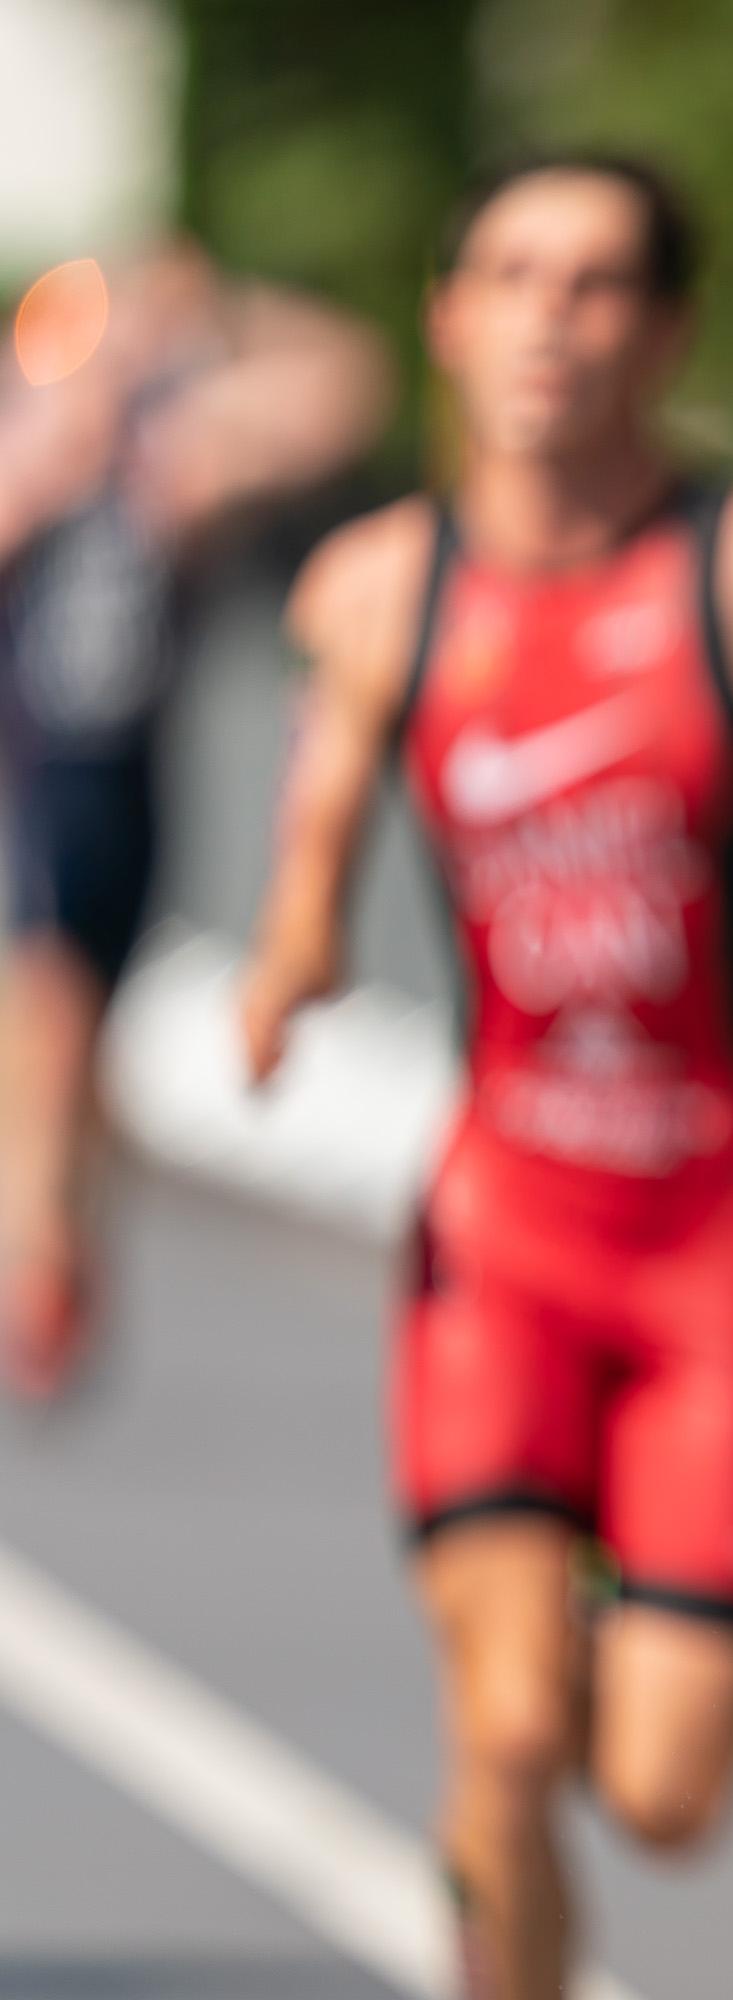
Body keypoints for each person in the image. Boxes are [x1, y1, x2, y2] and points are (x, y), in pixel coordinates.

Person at [235, 156, 733, 1998]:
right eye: (510, 276)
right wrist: (292, 945)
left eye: (593, 285)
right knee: (503, 1737)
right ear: (447, 317)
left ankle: (565, 1612)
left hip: (707, 1247)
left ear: (666, 332)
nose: (547, 321)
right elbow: (319, 811)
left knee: (659, 1796)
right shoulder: (381, 588)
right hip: (499, 1228)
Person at [0, 241, 389, 1398]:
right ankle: (38, 1252)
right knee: (47, 1011)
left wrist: (215, 306)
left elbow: (348, 386)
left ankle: (64, 1228)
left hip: (118, 781)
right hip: (26, 769)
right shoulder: (41, 440)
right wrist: (61, 436)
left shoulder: (174, 452)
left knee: (82, 1032)